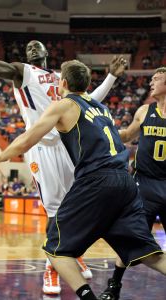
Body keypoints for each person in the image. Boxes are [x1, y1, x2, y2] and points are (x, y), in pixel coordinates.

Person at [0, 11, 126, 294]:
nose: (31, 47)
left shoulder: (61, 78)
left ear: (46, 51)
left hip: (68, 147)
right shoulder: (22, 72)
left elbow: (89, 101)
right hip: (42, 149)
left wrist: (112, 76)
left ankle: (71, 251)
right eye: (27, 46)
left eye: (36, 45)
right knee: (55, 212)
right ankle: (51, 268)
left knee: (75, 207)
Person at [0, 60, 166, 300]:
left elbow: (28, 139)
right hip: (125, 182)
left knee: (55, 249)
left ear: (62, 83)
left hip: (97, 181)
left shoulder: (64, 105)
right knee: (148, 254)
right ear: (87, 84)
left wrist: (1, 156)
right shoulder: (101, 107)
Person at [99, 67, 166, 300]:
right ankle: (114, 285)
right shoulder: (145, 110)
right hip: (145, 184)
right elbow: (127, 135)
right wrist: (103, 132)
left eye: (157, 79)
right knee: (130, 237)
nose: (151, 83)